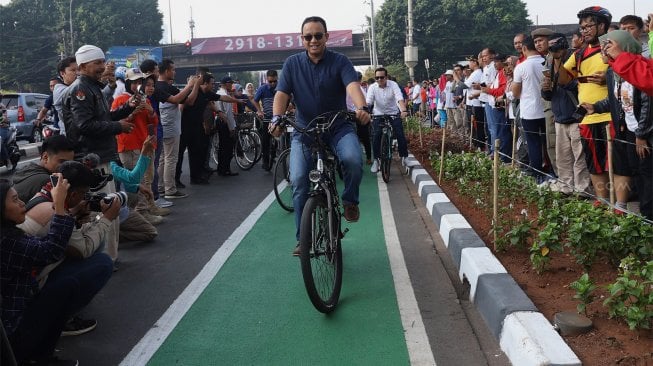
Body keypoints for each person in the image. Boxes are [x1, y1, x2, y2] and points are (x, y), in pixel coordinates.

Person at [269, 16, 371, 256]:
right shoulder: (292, 64)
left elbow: (352, 86)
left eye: (318, 35)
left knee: (353, 160)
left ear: (327, 36)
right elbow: (281, 94)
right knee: (299, 179)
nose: (313, 40)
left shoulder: (340, 61)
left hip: (338, 127)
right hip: (305, 131)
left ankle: (349, 201)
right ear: (302, 39)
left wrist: (362, 108)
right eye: (308, 36)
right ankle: (302, 240)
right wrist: (276, 119)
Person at [18, 160, 117, 337]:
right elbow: (83, 249)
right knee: (102, 263)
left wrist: (76, 212)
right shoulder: (53, 212)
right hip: (30, 289)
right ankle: (61, 319)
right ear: (71, 195)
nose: (85, 198)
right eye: (83, 193)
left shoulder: (42, 196)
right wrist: (107, 218)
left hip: (26, 279)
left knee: (92, 242)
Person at [61, 44, 138, 262]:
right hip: (92, 160)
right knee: (102, 212)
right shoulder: (80, 90)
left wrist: (128, 108)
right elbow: (85, 125)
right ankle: (103, 259)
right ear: (83, 66)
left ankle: (109, 258)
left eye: (103, 62)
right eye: (97, 63)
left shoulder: (94, 87)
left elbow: (104, 119)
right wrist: (118, 127)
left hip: (103, 156)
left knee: (111, 210)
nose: (102, 67)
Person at [1, 176, 77, 365]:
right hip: (10, 333)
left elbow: (36, 246)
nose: (22, 204)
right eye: (15, 200)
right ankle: (38, 358)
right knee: (66, 287)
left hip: (10, 322)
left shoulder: (7, 235)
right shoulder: (6, 242)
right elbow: (51, 251)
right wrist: (59, 205)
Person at [559, 6, 613, 205]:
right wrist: (557, 58)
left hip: (610, 115)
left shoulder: (613, 47)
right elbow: (564, 79)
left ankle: (619, 204)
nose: (585, 31)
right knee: (594, 164)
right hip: (587, 116)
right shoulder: (580, 53)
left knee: (614, 164)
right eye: (582, 27)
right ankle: (602, 201)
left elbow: (628, 76)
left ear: (602, 25)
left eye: (589, 25)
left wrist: (609, 79)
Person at [541, 33, 591, 196]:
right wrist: (545, 89)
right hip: (559, 117)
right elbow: (548, 95)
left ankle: (582, 190)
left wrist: (559, 66)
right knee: (562, 156)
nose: (554, 51)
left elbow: (576, 85)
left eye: (557, 47)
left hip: (576, 115)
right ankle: (566, 187)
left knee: (579, 156)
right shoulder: (549, 63)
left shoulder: (575, 59)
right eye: (552, 48)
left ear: (564, 45)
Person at [365, 67, 409, 173]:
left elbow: (399, 98)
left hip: (393, 113)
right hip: (378, 114)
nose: (379, 80)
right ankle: (376, 160)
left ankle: (404, 157)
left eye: (382, 77)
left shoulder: (393, 85)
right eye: (377, 78)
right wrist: (366, 112)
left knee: (399, 133)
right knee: (376, 136)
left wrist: (403, 110)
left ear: (386, 77)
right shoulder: (372, 87)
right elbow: (369, 101)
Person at [12, 135, 75, 203]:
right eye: (62, 162)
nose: (67, 167)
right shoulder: (47, 181)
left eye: (70, 163)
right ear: (45, 157)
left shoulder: (28, 170)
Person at [254, 70, 279, 171]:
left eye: (274, 81)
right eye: (270, 81)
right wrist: (259, 111)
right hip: (266, 119)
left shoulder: (281, 87)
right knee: (265, 141)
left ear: (277, 78)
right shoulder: (263, 89)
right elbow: (255, 100)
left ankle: (273, 154)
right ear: (267, 80)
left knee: (277, 139)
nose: (272, 83)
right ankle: (265, 161)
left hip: (278, 119)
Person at [348, 71, 372, 165]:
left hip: (359, 116)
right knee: (357, 138)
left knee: (364, 137)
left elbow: (366, 103)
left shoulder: (360, 89)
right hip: (350, 115)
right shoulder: (347, 88)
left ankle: (368, 157)